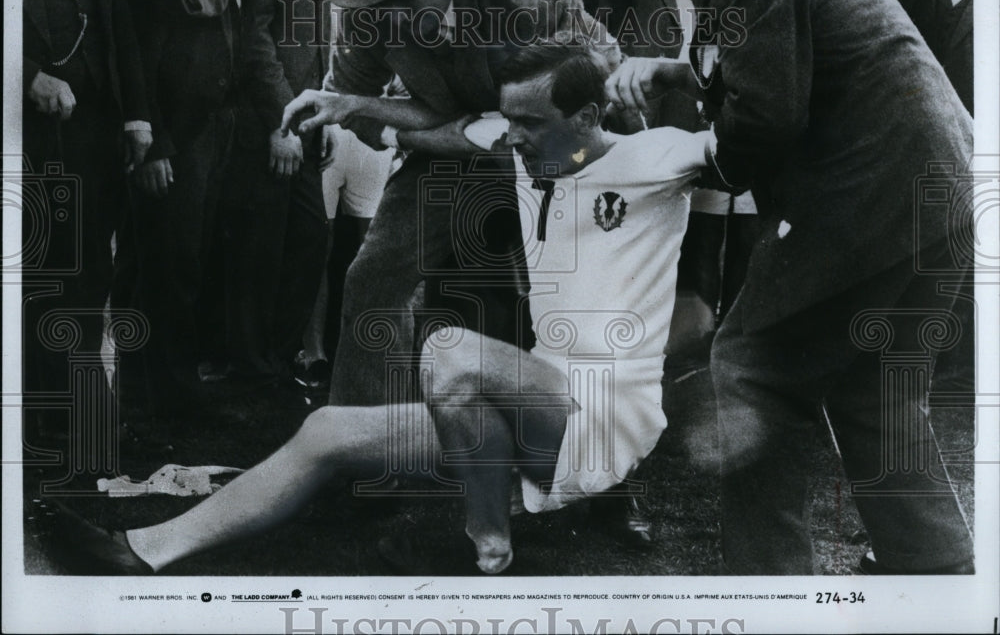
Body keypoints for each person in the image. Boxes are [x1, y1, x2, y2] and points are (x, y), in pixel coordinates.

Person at [51, 39, 713, 576]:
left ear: (589, 119)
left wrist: (678, 68)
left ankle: (488, 536)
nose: (513, 138)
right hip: (526, 408)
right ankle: (143, 550)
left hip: (604, 418)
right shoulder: (526, 147)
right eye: (510, 122)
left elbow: (759, 132)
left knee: (449, 349)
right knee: (330, 432)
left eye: (531, 124)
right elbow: (444, 127)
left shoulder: (655, 158)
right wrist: (346, 103)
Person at [603, 0, 974, 575]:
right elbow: (786, 67)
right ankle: (936, 572)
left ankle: (770, 594)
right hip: (937, 193)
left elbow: (767, 116)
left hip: (872, 195)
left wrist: (696, 163)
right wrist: (676, 74)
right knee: (877, 397)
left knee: (748, 371)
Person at [282, 0, 615, 407]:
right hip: (443, 151)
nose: (396, 16)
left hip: (549, 146)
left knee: (555, 288)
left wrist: (472, 133)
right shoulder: (365, 16)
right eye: (380, 2)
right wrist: (407, 129)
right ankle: (365, 442)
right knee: (372, 279)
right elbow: (346, 101)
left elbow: (580, 96)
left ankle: (580, 431)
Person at [121, 0, 279, 426]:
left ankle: (151, 397)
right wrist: (156, 142)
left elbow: (254, 55)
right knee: (167, 267)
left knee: (184, 262)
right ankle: (167, 401)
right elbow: (139, 53)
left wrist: (282, 120)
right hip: (174, 138)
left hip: (215, 137)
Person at [21, 0, 152, 453]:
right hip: (30, 129)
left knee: (90, 268)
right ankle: (47, 422)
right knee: (43, 272)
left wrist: (136, 115)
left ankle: (82, 415)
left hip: (96, 123)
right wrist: (26, 78)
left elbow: (117, 17)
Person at [214, 0, 344, 384]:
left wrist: (325, 109)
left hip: (307, 115)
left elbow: (319, 28)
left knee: (308, 242)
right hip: (271, 121)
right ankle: (250, 369)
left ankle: (273, 360)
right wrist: (282, 121)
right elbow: (254, 36)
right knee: (260, 248)